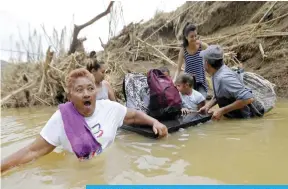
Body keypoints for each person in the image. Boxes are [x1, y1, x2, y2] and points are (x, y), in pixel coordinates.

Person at [1, 68, 168, 173]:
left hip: (111, 168)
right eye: (79, 90)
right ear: (70, 96)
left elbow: (133, 116)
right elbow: (32, 151)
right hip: (77, 173)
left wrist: (155, 122)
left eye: (90, 88)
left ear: (96, 91)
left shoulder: (109, 108)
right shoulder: (61, 119)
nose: (86, 94)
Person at [198, 45, 261, 120]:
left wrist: (222, 110)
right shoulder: (216, 73)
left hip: (245, 120)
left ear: (206, 63)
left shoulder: (224, 78)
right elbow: (221, 94)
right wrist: (208, 106)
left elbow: (248, 98)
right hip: (235, 118)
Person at [173, 22, 209, 99]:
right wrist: (175, 80)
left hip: (201, 82)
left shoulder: (201, 46)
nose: (194, 38)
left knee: (201, 100)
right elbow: (178, 69)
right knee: (190, 104)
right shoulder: (183, 50)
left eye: (196, 36)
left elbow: (212, 52)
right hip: (188, 84)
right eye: (191, 36)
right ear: (186, 37)